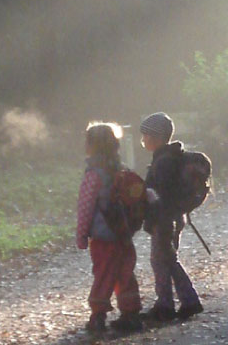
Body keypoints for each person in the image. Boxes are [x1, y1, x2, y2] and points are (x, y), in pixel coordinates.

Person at [75, 122, 144, 333]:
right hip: (123, 233)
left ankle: (98, 317)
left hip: (103, 237)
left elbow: (85, 207)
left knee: (103, 274)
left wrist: (81, 234)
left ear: (90, 146)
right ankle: (131, 314)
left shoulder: (93, 175)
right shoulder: (122, 170)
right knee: (125, 273)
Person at [139, 112, 204, 321]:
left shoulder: (163, 161)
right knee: (166, 259)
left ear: (155, 138)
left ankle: (176, 302)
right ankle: (175, 302)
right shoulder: (169, 157)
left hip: (164, 219)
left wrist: (148, 198)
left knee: (163, 261)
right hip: (174, 217)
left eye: (145, 136)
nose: (143, 140)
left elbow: (163, 193)